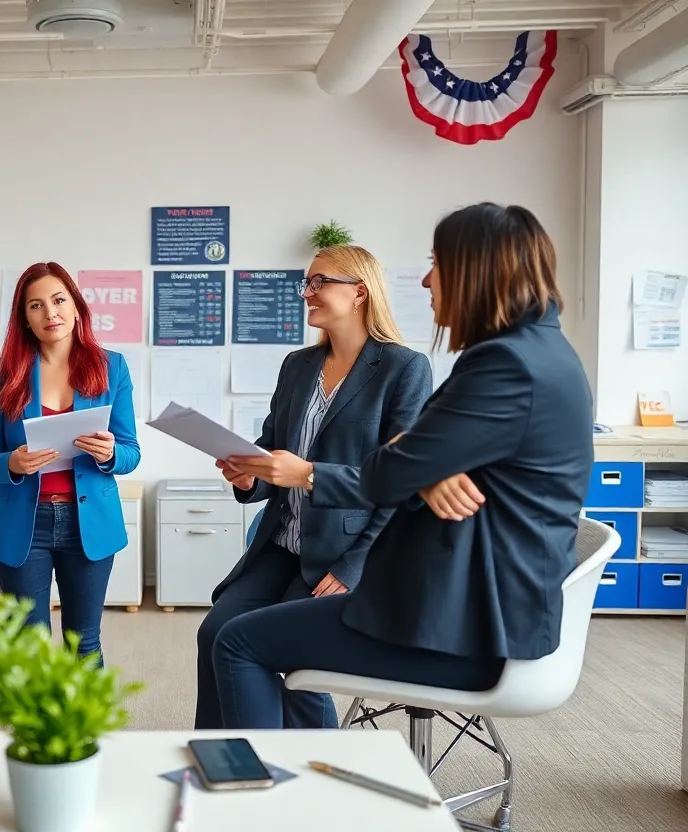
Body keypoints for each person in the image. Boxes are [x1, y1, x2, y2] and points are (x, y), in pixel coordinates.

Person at [212, 203, 594, 729]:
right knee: (228, 629)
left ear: (475, 269)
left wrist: (330, 472)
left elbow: (391, 471)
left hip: (468, 623)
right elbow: (413, 464)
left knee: (240, 642)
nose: (427, 280)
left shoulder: (501, 362)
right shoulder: (544, 351)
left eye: (438, 263)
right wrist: (425, 470)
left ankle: (256, 793)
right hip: (482, 603)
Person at [195, 245, 432, 730]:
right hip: (281, 543)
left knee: (291, 659)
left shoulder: (404, 369)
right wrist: (247, 476)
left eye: (320, 282)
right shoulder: (297, 365)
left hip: (343, 552)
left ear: (359, 291)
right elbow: (272, 451)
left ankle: (311, 757)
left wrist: (354, 565)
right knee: (215, 632)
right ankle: (222, 754)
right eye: (308, 283)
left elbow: (401, 483)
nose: (308, 293)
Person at [0, 262, 140, 663]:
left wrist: (110, 454)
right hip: (23, 526)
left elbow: (131, 452)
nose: (51, 313)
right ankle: (37, 729)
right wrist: (11, 463)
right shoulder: (3, 373)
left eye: (59, 300)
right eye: (36, 305)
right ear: (24, 318)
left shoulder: (111, 366)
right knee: (31, 651)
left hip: (89, 523)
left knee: (85, 644)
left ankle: (86, 729)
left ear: (77, 306)